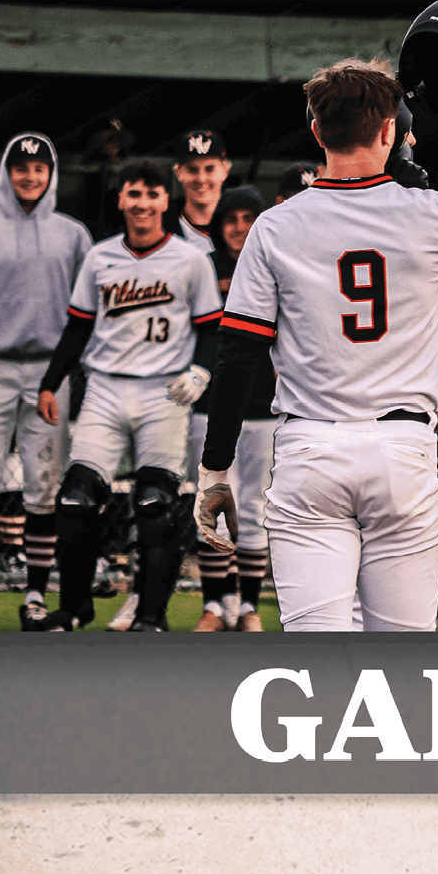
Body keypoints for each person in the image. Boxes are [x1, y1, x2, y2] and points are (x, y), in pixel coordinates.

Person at [195, 57, 438, 632]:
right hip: (401, 450)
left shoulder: (276, 225)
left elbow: (237, 356)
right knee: (399, 666)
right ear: (389, 130)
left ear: (316, 131)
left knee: (319, 662)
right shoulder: (433, 214)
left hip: (310, 449)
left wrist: (215, 471)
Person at [35, 161, 222, 631]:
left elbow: (211, 331)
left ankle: (151, 617)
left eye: (152, 195)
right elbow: (77, 327)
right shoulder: (99, 258)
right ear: (121, 200)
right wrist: (48, 382)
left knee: (156, 504)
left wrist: (201, 371)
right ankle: (75, 608)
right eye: (133, 194)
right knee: (75, 499)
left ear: (166, 201)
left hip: (165, 392)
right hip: (103, 387)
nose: (142, 203)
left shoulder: (191, 260)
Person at [0, 133, 93, 631]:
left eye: (39, 168)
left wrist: (82, 374)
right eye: (20, 167)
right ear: (6, 172)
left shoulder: (74, 235)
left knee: (44, 486)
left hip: (49, 373)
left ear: (51, 173)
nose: (30, 176)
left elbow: (86, 315)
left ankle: (35, 596)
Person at [188, 183, 273, 632]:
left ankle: (248, 606)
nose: (240, 228)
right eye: (231, 219)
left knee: (256, 508)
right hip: (210, 401)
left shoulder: (276, 261)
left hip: (264, 402)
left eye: (249, 218)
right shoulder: (203, 266)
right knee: (211, 502)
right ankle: (215, 604)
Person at [172, 129, 232, 253]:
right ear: (178, 172)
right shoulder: (159, 226)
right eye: (192, 169)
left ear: (225, 170)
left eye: (210, 169)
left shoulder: (244, 226)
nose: (201, 179)